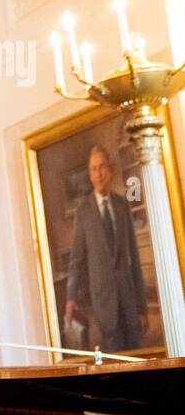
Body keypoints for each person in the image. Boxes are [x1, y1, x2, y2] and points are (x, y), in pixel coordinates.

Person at [65, 144, 148, 353]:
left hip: (128, 299)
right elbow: (76, 260)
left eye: (102, 167)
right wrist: (71, 298)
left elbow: (134, 259)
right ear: (90, 174)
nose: (98, 173)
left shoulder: (122, 205)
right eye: (94, 169)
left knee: (138, 354)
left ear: (109, 170)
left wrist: (142, 307)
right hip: (104, 301)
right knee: (115, 358)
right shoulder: (83, 212)